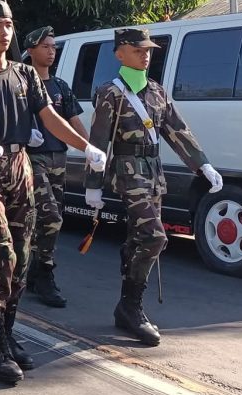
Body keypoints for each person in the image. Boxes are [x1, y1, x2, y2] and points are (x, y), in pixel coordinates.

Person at [0, 0, 107, 385]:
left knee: (22, 257)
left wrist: (86, 147)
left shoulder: (25, 74)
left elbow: (50, 118)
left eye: (9, 24)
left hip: (20, 167)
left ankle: (9, 332)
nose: (5, 31)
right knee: (1, 254)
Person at [85, 28, 223, 346]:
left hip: (153, 173)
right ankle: (132, 306)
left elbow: (177, 131)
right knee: (155, 236)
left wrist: (203, 165)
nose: (145, 55)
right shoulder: (110, 92)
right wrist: (94, 185)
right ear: (120, 53)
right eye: (138, 50)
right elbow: (99, 141)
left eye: (148, 50)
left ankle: (127, 307)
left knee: (138, 239)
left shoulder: (157, 91)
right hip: (128, 173)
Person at [23, 26, 84, 309]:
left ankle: (35, 269)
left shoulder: (60, 86)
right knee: (50, 216)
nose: (51, 51)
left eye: (53, 47)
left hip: (59, 157)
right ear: (31, 50)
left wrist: (91, 149)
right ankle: (44, 273)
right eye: (45, 46)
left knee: (51, 217)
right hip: (32, 158)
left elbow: (73, 119)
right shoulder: (21, 83)